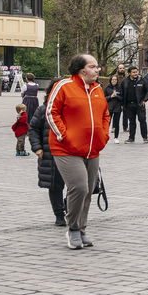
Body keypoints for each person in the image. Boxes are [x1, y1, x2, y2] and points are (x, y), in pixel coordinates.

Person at [47, 53, 111, 250]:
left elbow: (105, 115)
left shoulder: (98, 89)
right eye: (93, 66)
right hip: (66, 149)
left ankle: (81, 228)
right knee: (79, 187)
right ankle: (73, 229)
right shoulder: (64, 86)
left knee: (89, 191)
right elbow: (51, 112)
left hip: (93, 149)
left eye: (97, 66)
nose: (97, 70)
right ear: (82, 70)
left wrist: (104, 135)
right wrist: (64, 136)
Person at [28, 78, 68, 227]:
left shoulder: (72, 109)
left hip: (71, 152)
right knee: (55, 185)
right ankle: (59, 214)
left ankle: (69, 207)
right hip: (50, 153)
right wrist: (37, 148)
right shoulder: (43, 109)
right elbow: (33, 129)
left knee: (76, 185)